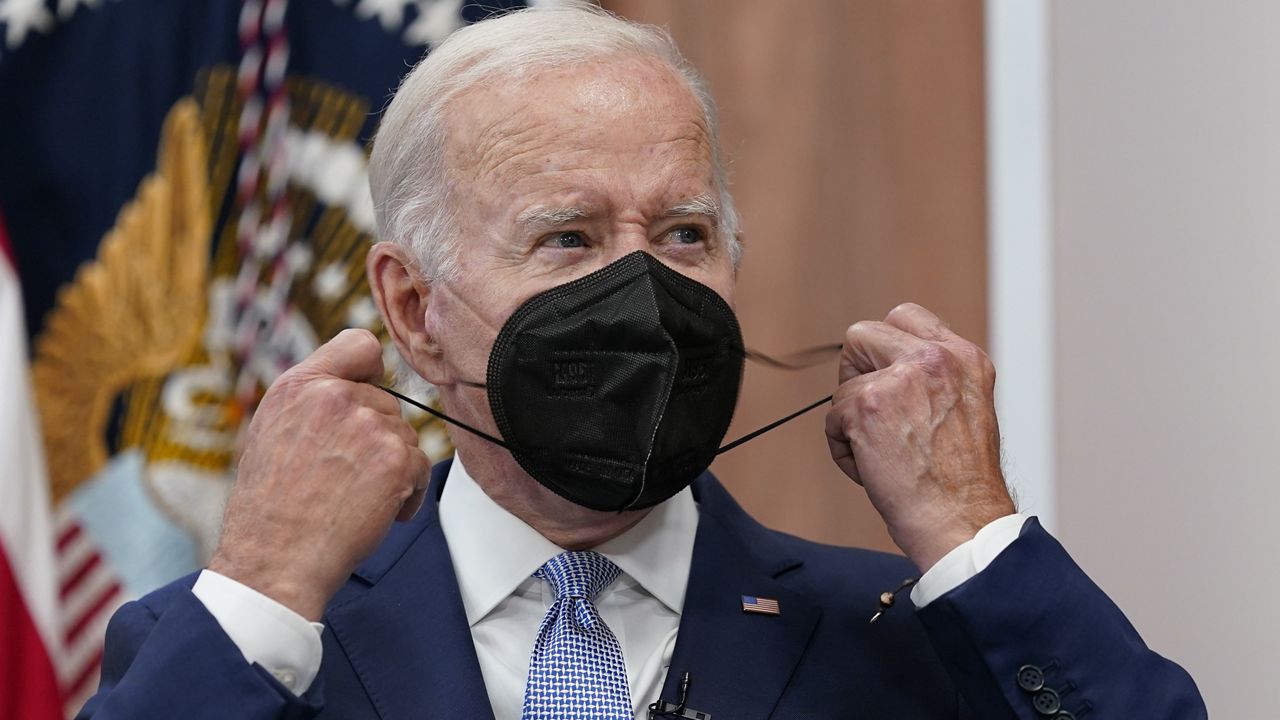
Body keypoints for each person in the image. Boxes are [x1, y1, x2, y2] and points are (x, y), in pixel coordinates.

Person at [79, 4, 1205, 719]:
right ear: (412, 308)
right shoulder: (259, 639)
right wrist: (270, 581)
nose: (645, 296)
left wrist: (971, 531)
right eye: (566, 237)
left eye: (682, 237)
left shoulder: (908, 636)